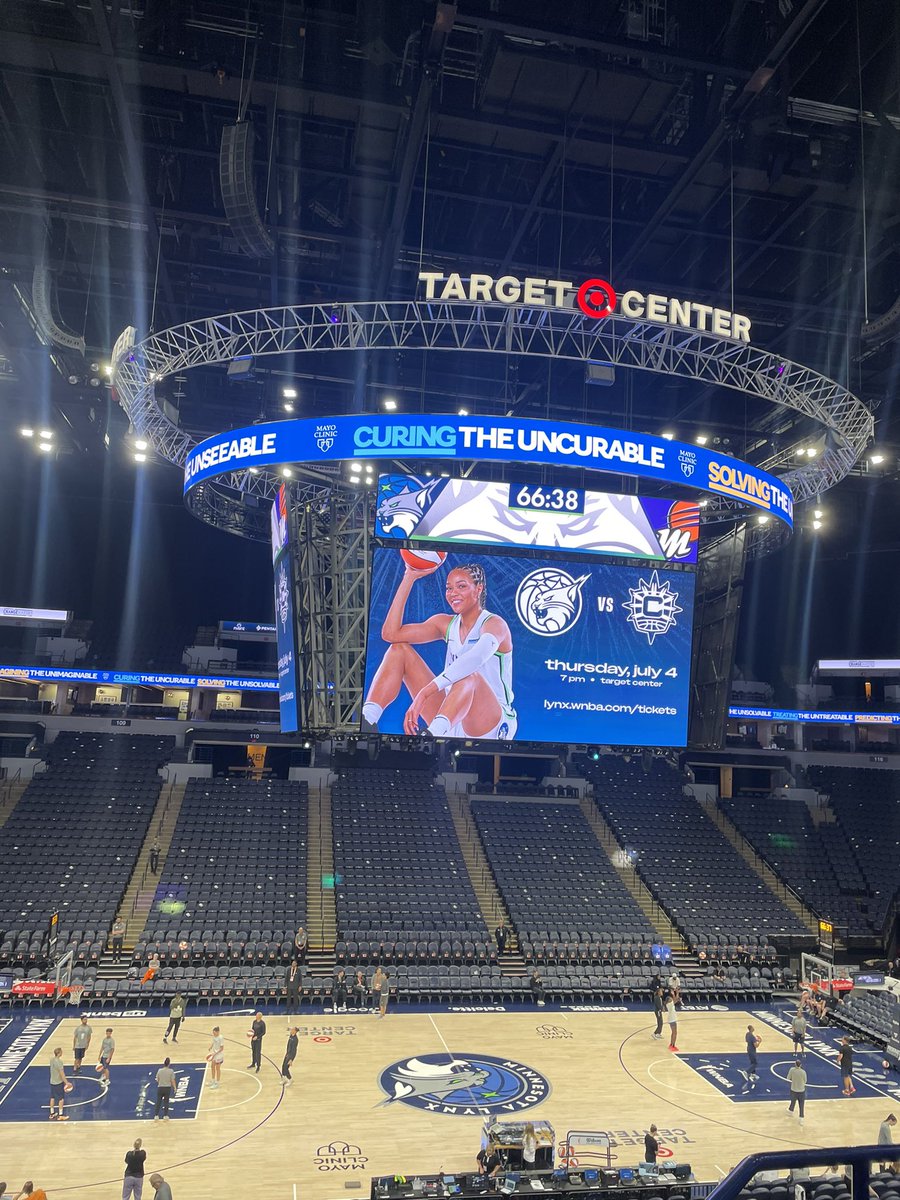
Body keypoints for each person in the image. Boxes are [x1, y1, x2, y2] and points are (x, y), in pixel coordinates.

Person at [361, 559, 517, 740]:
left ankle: (429, 737)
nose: (453, 593)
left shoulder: (495, 624)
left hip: (490, 722)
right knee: (398, 650)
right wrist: (409, 577)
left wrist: (425, 692)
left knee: (470, 676)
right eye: (449, 588)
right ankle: (368, 719)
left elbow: (476, 658)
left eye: (461, 586)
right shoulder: (445, 623)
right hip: (450, 716)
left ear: (478, 589)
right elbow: (391, 634)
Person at [49, 1046, 70, 1121]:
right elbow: (62, 1074)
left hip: (52, 1081)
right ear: (59, 1053)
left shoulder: (51, 1060)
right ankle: (60, 1115)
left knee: (52, 1097)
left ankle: (52, 1114)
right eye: (61, 1052)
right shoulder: (59, 1062)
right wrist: (67, 1083)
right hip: (58, 1082)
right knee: (61, 1099)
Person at [787, 1059, 807, 1124]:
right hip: (801, 1091)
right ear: (800, 1065)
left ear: (795, 1064)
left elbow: (788, 1078)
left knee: (793, 1101)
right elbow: (805, 1081)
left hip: (794, 1089)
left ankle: (790, 1111)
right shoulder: (803, 1072)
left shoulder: (792, 1070)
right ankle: (801, 1119)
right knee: (801, 1105)